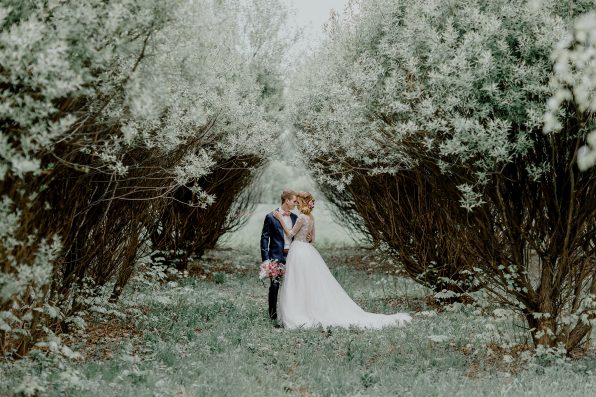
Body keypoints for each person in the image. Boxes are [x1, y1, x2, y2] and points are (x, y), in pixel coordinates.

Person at [274, 191, 412, 329]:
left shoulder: (301, 218)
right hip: (308, 250)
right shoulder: (311, 218)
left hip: (299, 250)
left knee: (298, 281)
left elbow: (291, 233)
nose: (296, 203)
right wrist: (307, 237)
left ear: (301, 202)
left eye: (297, 201)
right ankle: (309, 307)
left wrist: (280, 219)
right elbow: (313, 239)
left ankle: (300, 310)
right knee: (309, 281)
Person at [260, 190, 298, 320]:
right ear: (286, 200)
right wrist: (266, 260)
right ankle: (272, 315)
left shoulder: (295, 218)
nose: (296, 204)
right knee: (275, 285)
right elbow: (264, 238)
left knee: (291, 286)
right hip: (276, 256)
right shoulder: (270, 217)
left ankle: (289, 314)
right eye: (294, 201)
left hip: (292, 256)